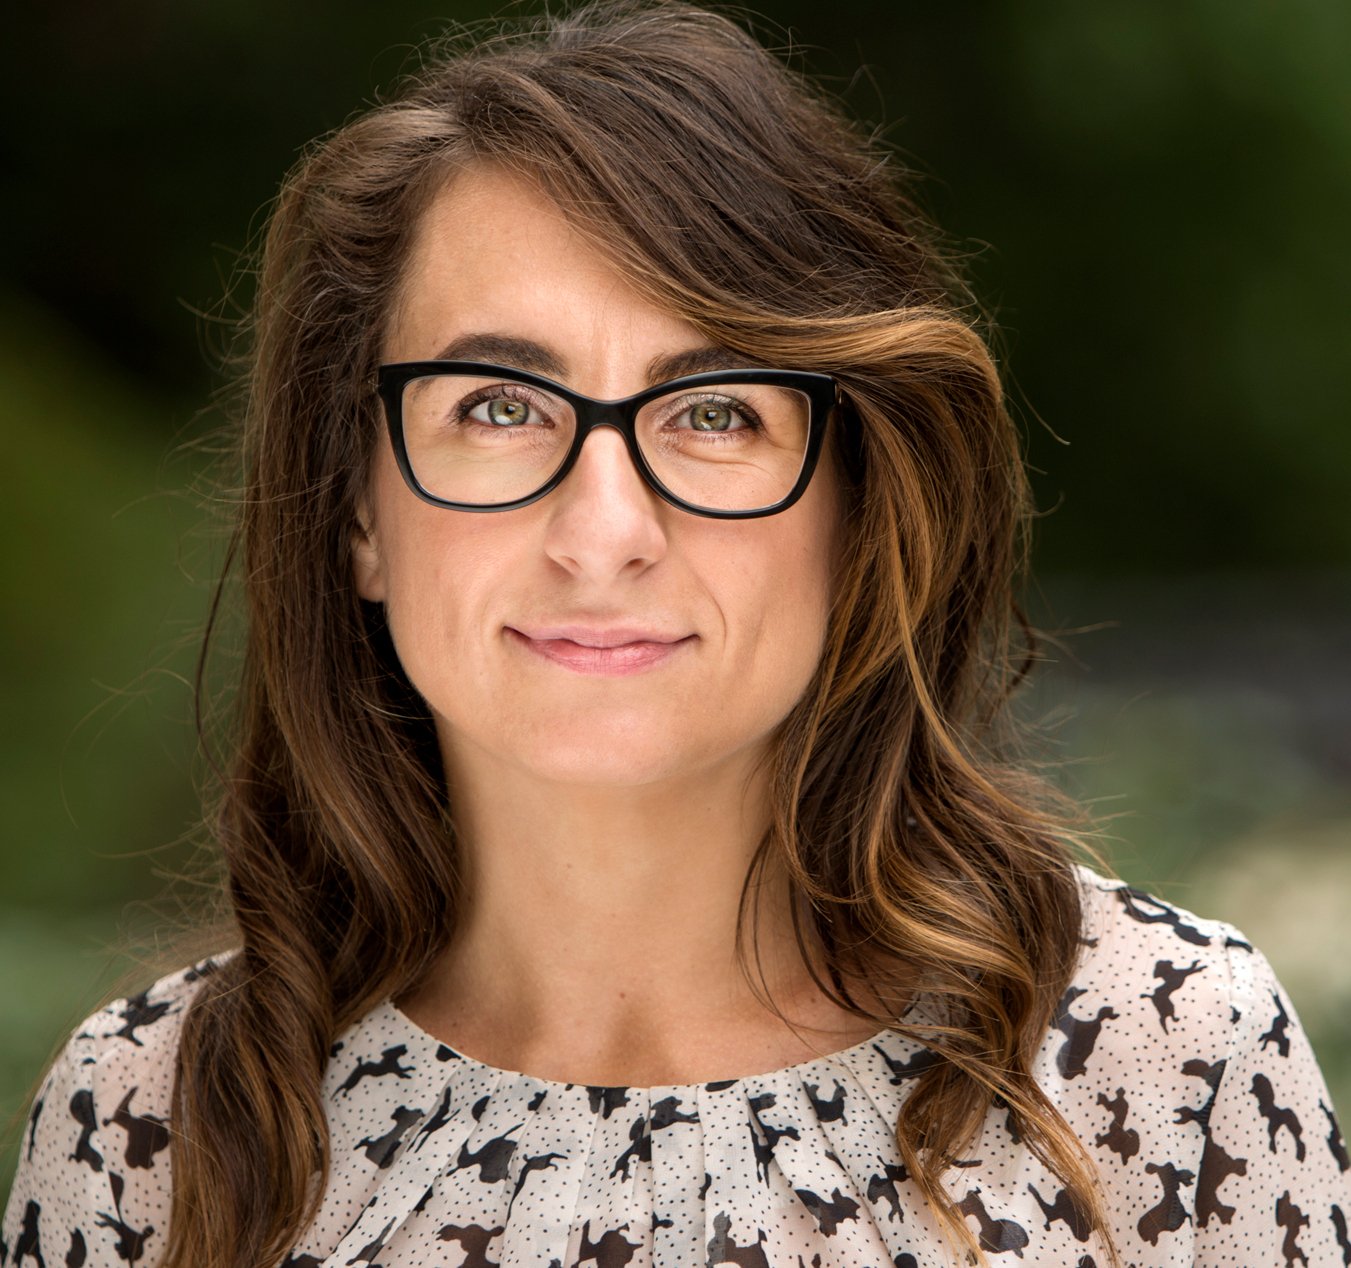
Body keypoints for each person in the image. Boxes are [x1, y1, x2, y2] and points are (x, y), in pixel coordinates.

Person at [3, 2, 1347, 1266]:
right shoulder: (155, 1128)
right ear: (359, 506)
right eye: (496, 407)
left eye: (715, 414)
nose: (604, 532)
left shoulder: (1158, 1066)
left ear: (854, 502)